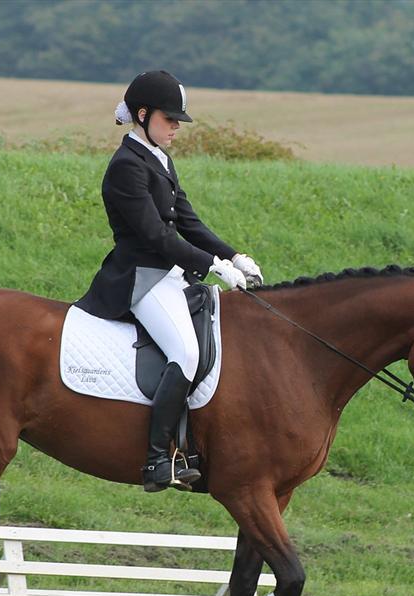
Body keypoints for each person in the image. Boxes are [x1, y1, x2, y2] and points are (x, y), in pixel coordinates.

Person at [75, 70, 263, 492]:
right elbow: (156, 236)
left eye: (178, 120)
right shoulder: (127, 165)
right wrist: (213, 266)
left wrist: (233, 255)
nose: (176, 126)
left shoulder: (159, 157)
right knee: (186, 351)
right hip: (140, 277)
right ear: (143, 115)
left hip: (168, 274)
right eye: (169, 118)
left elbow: (188, 223)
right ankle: (158, 458)